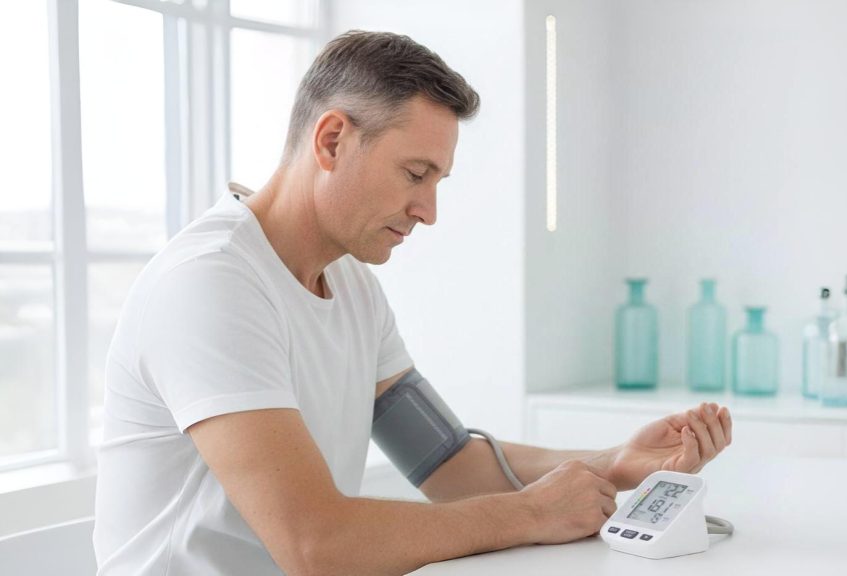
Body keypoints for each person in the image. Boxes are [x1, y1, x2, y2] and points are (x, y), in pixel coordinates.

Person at [93, 30, 732, 575]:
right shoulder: (212, 283)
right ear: (333, 140)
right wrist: (530, 512)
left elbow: (450, 462)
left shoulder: (351, 286)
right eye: (415, 174)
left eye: (436, 181)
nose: (428, 211)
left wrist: (616, 463)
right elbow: (315, 543)